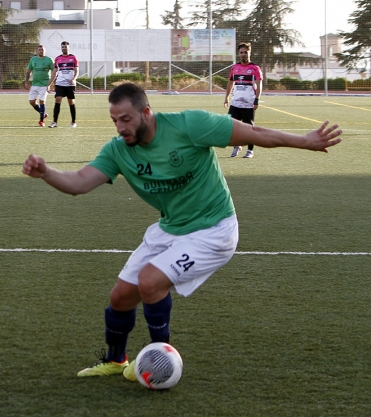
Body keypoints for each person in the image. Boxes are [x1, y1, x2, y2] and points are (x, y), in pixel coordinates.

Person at [22, 83, 341, 382]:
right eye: (115, 120)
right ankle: (116, 359)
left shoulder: (190, 125)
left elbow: (253, 132)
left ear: (146, 113)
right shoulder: (120, 150)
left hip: (214, 230)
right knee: (121, 297)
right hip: (170, 227)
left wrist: (306, 142)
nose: (120, 127)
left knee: (150, 280)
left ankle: (162, 361)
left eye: (126, 119)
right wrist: (47, 173)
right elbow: (79, 182)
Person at [224, 42, 263, 158]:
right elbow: (231, 82)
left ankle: (250, 150)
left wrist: (257, 99)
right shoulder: (234, 68)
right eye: (241, 52)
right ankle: (237, 145)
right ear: (238, 54)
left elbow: (259, 85)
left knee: (249, 128)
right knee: (231, 126)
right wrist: (226, 97)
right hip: (236, 103)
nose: (243, 55)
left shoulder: (255, 68)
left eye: (246, 52)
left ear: (250, 53)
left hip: (248, 104)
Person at [47, 40, 79, 128]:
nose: (64, 48)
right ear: (61, 48)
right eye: (62, 47)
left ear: (69, 47)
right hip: (60, 83)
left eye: (65, 47)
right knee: (57, 100)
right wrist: (49, 84)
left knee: (71, 102)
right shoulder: (57, 59)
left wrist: (74, 79)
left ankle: (73, 122)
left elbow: (76, 70)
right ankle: (54, 122)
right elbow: (54, 72)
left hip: (70, 84)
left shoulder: (73, 58)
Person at [25, 45, 54, 127]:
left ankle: (41, 121)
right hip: (35, 84)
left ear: (45, 51)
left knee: (42, 101)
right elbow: (28, 71)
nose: (41, 51)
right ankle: (43, 113)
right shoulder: (33, 59)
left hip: (44, 84)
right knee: (32, 102)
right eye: (40, 50)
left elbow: (54, 72)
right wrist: (26, 81)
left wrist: (51, 84)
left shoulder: (49, 60)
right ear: (37, 51)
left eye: (43, 50)